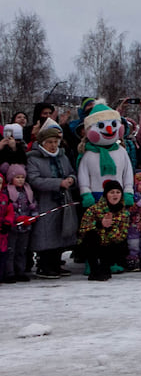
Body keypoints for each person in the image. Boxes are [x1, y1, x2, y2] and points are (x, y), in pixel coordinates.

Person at [26, 120, 79, 279]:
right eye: (49, 142)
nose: (53, 145)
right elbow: (34, 180)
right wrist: (57, 183)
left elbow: (71, 172)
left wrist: (71, 180)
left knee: (59, 231)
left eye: (55, 142)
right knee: (46, 233)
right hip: (44, 200)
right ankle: (44, 264)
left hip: (62, 199)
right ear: (42, 143)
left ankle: (56, 263)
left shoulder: (62, 157)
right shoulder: (33, 158)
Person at [77, 179, 129, 280]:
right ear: (106, 194)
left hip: (110, 243)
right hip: (95, 244)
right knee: (90, 238)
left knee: (120, 246)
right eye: (112, 192)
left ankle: (107, 267)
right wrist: (99, 225)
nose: (115, 195)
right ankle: (94, 269)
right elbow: (83, 229)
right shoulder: (93, 209)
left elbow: (122, 235)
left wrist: (110, 228)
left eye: (118, 192)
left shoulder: (124, 213)